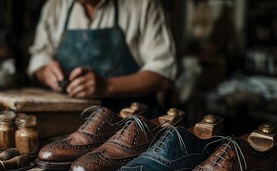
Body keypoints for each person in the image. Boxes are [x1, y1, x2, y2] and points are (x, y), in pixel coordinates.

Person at [27, 0, 176, 116]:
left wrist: (106, 86)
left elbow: (164, 75)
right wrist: (45, 71)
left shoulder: (144, 5)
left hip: (131, 121)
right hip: (70, 122)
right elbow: (39, 57)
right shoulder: (55, 5)